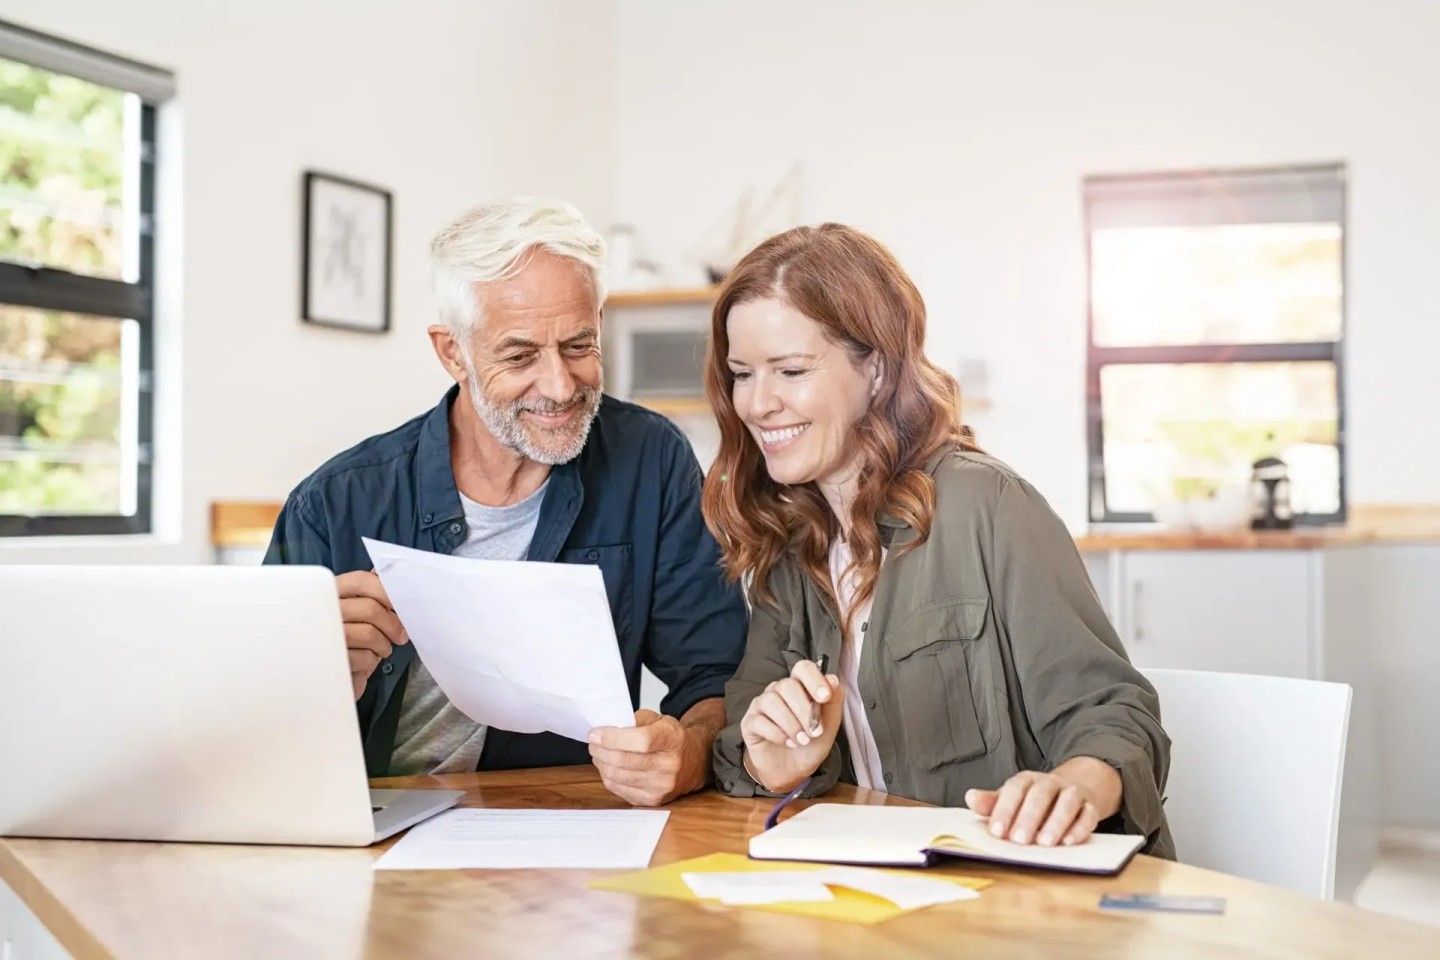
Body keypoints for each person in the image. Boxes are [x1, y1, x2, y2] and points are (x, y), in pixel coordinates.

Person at [705, 224, 1174, 855]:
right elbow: (742, 740)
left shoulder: (988, 506)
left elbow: (1115, 715)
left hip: (1022, 900)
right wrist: (776, 762)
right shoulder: (792, 544)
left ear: (875, 368)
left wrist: (1074, 787)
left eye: (790, 370)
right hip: (880, 895)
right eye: (741, 374)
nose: (758, 404)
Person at [265, 196, 746, 807]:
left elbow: (715, 678)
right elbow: (249, 726)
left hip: (558, 828)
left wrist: (688, 752)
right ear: (452, 353)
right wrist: (312, 674)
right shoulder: (334, 502)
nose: (559, 386)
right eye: (520, 356)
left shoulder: (650, 460)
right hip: (370, 824)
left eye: (579, 345)